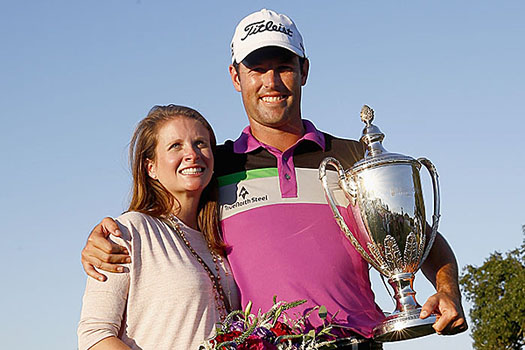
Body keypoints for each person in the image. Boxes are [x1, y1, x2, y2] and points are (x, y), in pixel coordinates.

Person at [81, 9, 467, 349]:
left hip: (359, 342)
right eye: (256, 69)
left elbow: (415, 237)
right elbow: (167, 216)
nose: (271, 82)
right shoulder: (216, 166)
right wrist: (102, 241)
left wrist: (448, 291)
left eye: (283, 66)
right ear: (236, 76)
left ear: (304, 70)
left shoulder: (353, 158)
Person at [77, 105, 240, 350]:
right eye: (176, 146)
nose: (192, 154)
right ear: (150, 167)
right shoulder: (129, 231)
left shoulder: (221, 234)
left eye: (200, 143)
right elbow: (95, 335)